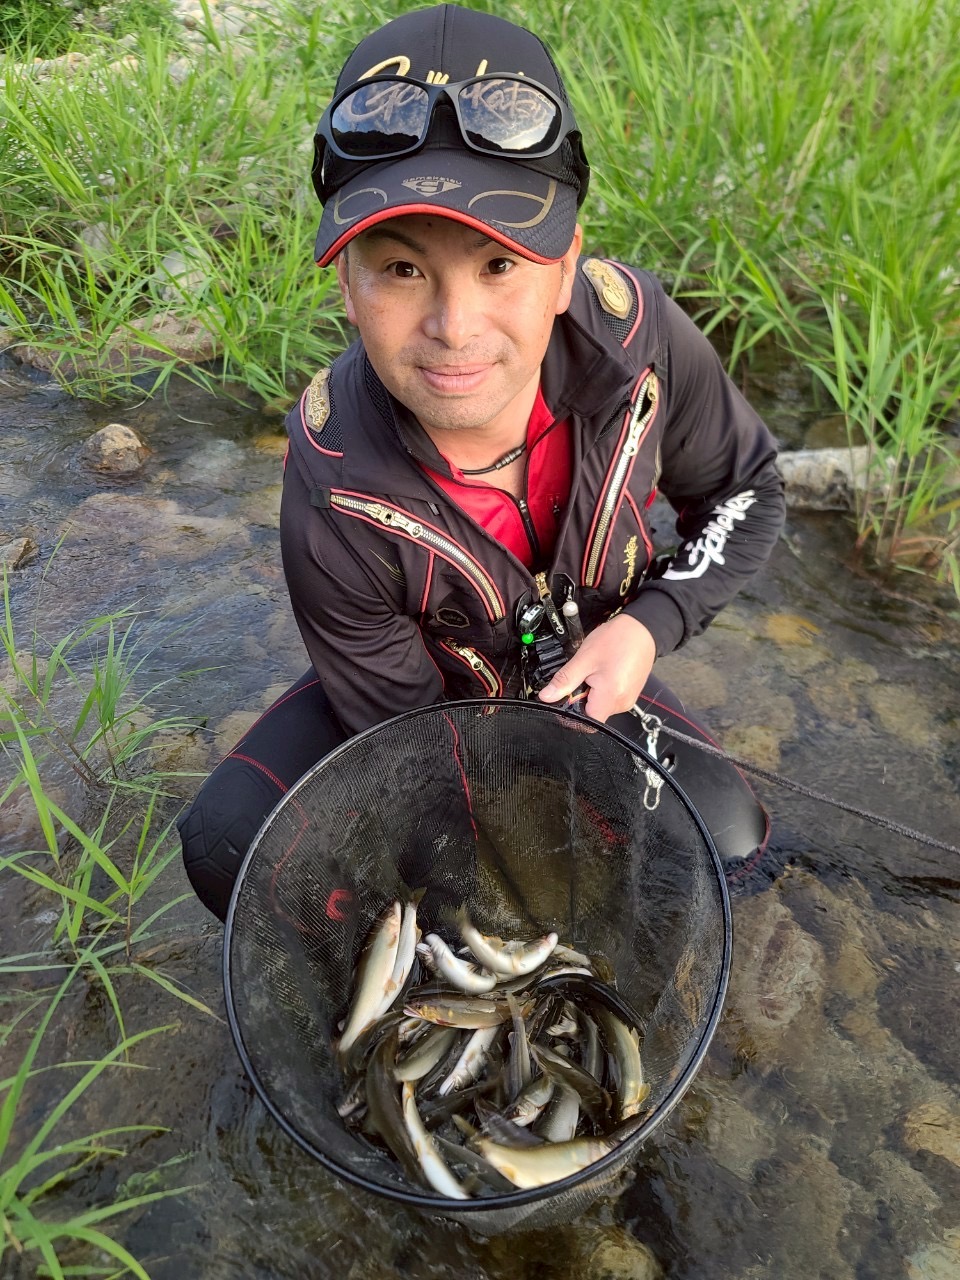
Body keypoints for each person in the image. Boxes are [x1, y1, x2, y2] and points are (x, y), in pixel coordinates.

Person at [179, 3, 786, 922]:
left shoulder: (642, 340)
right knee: (235, 849)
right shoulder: (333, 477)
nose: (454, 330)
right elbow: (408, 745)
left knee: (730, 849)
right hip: (417, 704)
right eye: (402, 269)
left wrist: (644, 629)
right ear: (346, 282)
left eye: (499, 264)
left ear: (566, 260)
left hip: (589, 668)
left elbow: (746, 489)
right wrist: (459, 885)